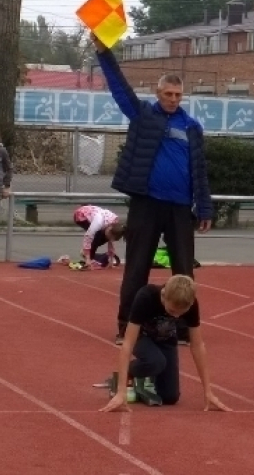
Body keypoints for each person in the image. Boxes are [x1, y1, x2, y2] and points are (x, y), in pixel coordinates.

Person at [93, 34, 213, 345]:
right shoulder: (144, 115)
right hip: (146, 204)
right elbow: (120, 89)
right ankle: (126, 326)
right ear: (157, 93)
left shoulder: (192, 127)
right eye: (167, 94)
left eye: (177, 95)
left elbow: (199, 170)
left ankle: (186, 328)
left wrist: (205, 207)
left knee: (184, 272)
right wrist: (104, 52)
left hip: (180, 208)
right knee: (137, 268)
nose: (173, 99)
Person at [100, 274, 230, 412]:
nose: (175, 316)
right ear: (164, 295)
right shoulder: (146, 296)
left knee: (170, 397)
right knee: (156, 361)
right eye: (172, 311)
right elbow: (127, 343)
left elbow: (197, 346)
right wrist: (121, 392)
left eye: (180, 314)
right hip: (142, 337)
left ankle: (147, 378)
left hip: (166, 340)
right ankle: (127, 373)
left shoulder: (191, 305)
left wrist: (208, 392)